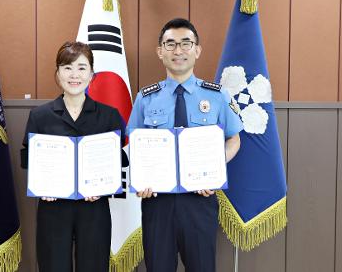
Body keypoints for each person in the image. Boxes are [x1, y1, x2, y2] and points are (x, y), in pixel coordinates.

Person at [127, 18, 243, 272]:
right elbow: (134, 145)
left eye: (185, 43)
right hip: (157, 201)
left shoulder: (217, 95)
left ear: (197, 50)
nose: (178, 51)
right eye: (170, 44)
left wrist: (213, 168)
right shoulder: (145, 98)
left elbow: (234, 139)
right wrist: (140, 179)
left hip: (200, 198)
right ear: (160, 51)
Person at [21, 41, 126, 272]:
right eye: (67, 68)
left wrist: (104, 185)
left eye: (81, 68)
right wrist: (42, 186)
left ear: (92, 75)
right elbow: (28, 157)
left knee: (94, 266)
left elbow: (119, 160)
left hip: (94, 207)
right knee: (53, 266)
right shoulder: (40, 116)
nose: (74, 75)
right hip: (54, 207)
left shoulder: (109, 116)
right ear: (58, 74)